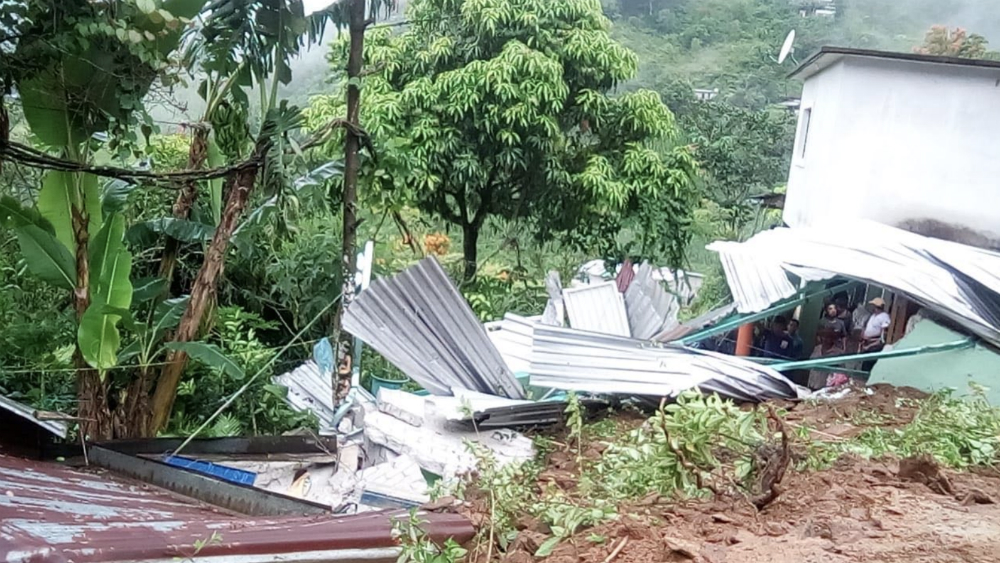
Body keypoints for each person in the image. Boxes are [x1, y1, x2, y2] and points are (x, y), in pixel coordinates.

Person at [808, 303, 848, 389]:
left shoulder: (840, 323)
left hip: (826, 386)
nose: (833, 310)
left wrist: (844, 348)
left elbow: (844, 336)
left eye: (834, 308)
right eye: (830, 309)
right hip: (814, 383)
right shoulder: (822, 322)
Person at [861, 297, 891, 371]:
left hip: (875, 344)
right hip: (867, 342)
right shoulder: (873, 315)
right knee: (864, 363)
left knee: (869, 364)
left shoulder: (884, 317)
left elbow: (884, 333)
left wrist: (872, 344)